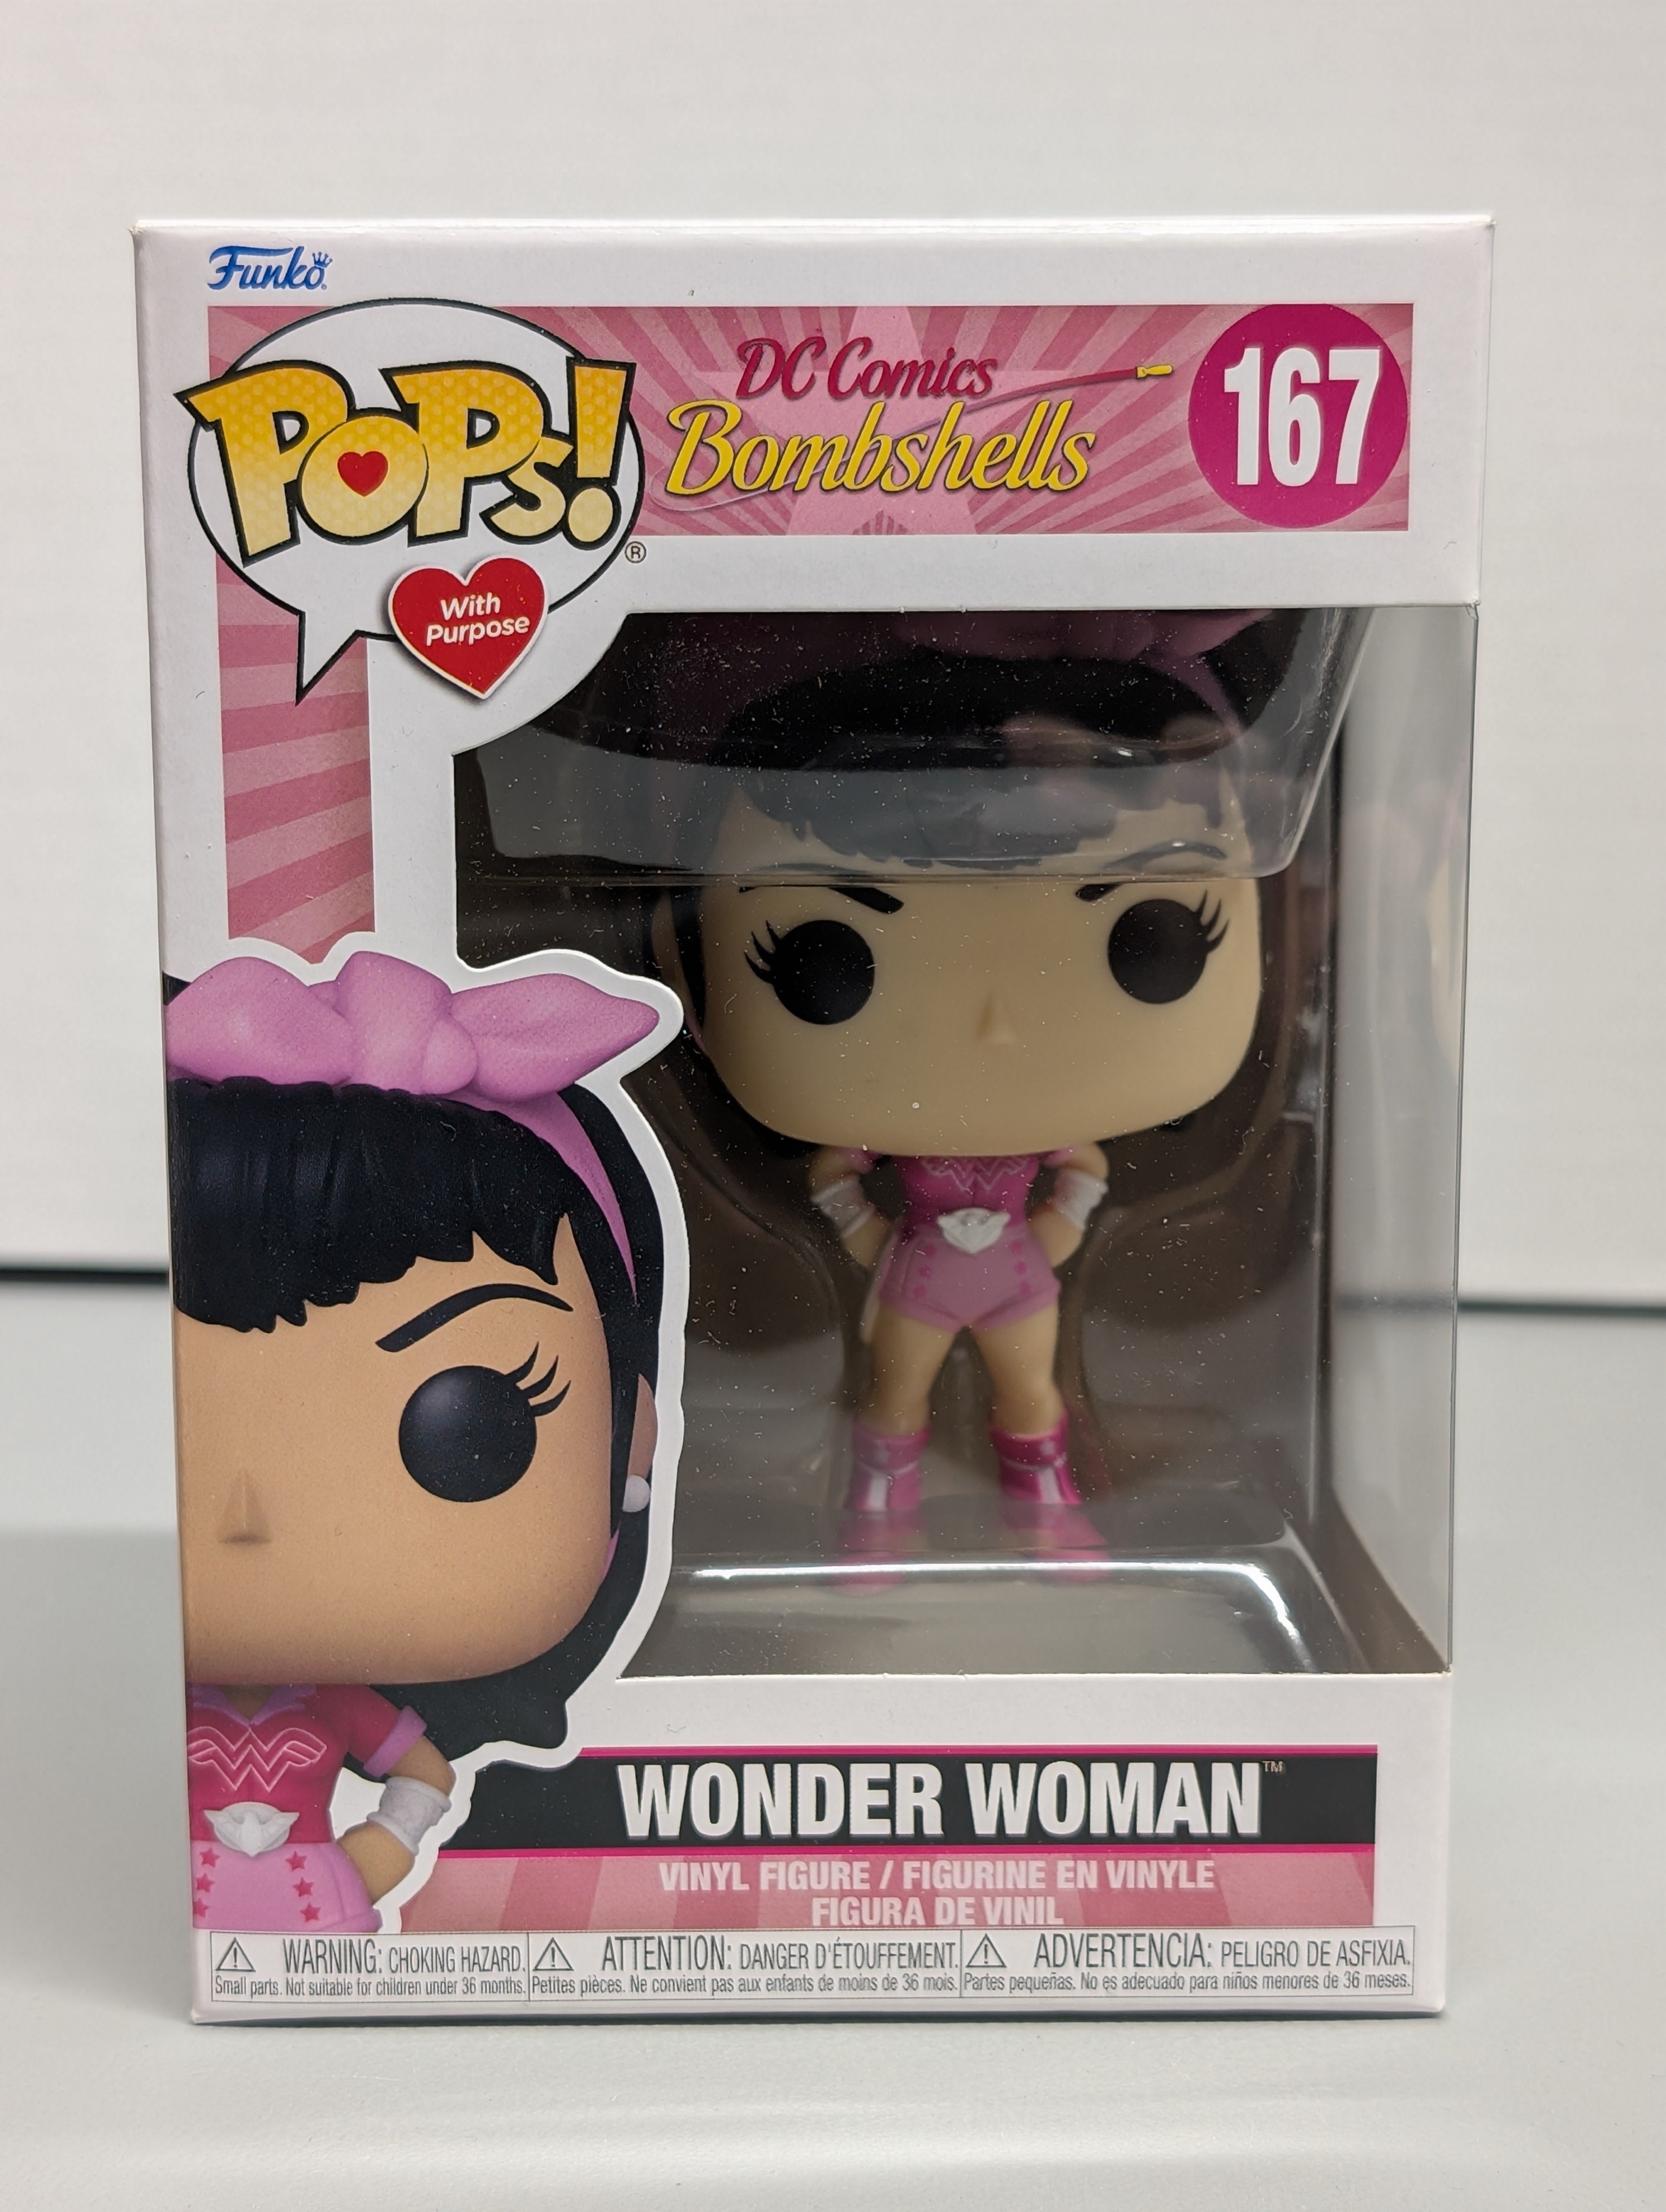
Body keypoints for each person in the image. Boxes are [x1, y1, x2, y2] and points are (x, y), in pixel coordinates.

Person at [165, 949, 668, 1930]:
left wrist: (377, 1856)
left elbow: (422, 1776)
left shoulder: (336, 1707)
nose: (244, 1516)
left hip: (321, 1910)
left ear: (631, 1438)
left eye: (472, 1423)